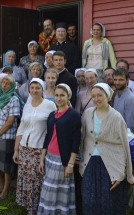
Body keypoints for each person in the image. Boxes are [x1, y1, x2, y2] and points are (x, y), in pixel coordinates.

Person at [80, 83, 134, 215]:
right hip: (90, 163)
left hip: (110, 165)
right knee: (89, 201)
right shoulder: (87, 114)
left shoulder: (116, 117)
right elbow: (83, 139)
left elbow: (123, 146)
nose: (96, 99)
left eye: (100, 95)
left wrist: (121, 172)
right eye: (93, 96)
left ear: (108, 96)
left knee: (108, 203)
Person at [13, 78, 56, 215]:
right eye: (32, 88)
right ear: (29, 90)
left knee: (37, 181)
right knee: (26, 179)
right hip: (25, 148)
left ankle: (39, 208)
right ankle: (29, 208)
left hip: (39, 149)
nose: (35, 90)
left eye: (38, 88)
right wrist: (16, 150)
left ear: (42, 89)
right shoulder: (27, 105)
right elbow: (21, 128)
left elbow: (54, 127)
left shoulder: (50, 105)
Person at [38, 84, 81, 215]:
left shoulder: (73, 115)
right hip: (49, 158)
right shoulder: (52, 115)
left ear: (68, 96)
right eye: (56, 95)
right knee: (49, 189)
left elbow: (76, 141)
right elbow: (48, 137)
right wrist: (41, 159)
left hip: (63, 160)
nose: (59, 98)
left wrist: (70, 164)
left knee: (59, 191)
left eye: (62, 95)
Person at [0, 75, 23, 203]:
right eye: (3, 83)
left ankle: (6, 190)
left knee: (6, 167)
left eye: (8, 83)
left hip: (7, 137)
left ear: (12, 86)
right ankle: (1, 185)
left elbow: (10, 121)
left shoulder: (14, 99)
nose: (5, 85)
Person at [112, 68, 134, 136]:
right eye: (115, 80)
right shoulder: (116, 95)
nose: (117, 83)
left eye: (121, 80)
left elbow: (131, 125)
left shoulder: (130, 98)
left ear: (127, 80)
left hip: (126, 139)